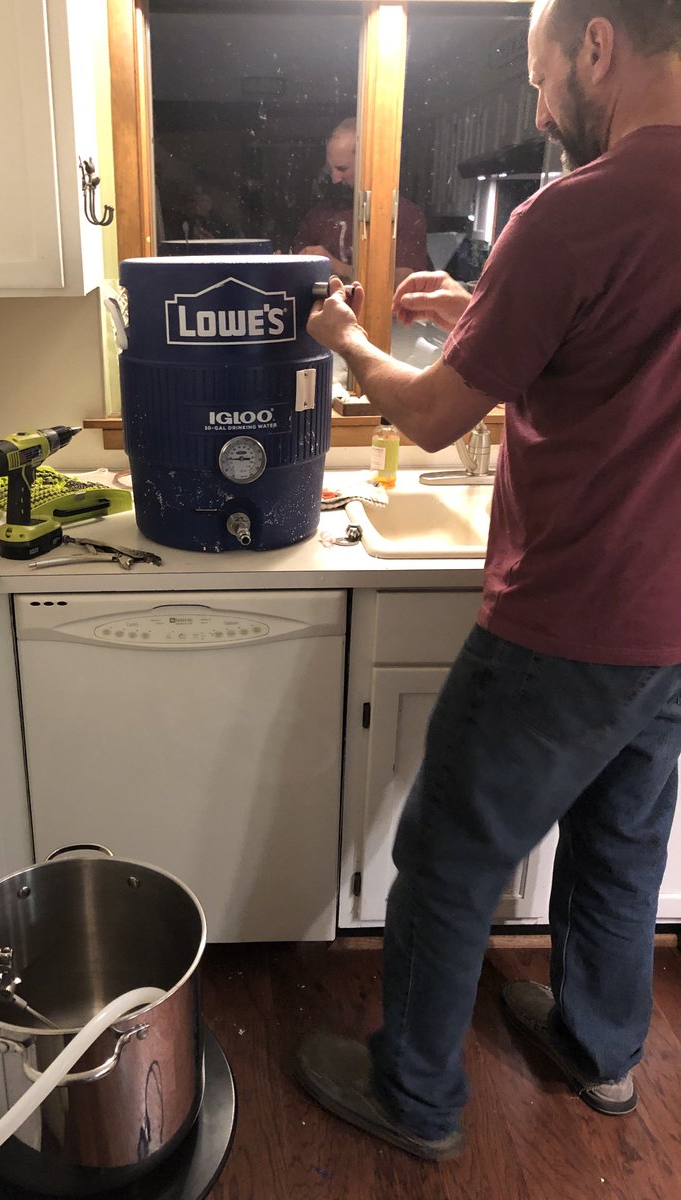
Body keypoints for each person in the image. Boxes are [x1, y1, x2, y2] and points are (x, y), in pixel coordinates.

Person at [294, 0, 681, 1164]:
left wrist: (345, 342)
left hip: (569, 617)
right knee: (620, 846)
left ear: (597, 48)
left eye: (541, 72)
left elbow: (425, 417)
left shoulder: (578, 210)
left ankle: (413, 1095)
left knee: (449, 856)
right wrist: (484, 315)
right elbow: (625, 359)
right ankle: (600, 1055)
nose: (537, 103)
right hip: (671, 628)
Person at [293, 117, 428, 284]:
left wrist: (338, 267)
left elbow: (404, 282)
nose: (334, 178)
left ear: (367, 163)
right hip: (329, 308)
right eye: (331, 168)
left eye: (342, 168)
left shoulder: (404, 214)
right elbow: (297, 272)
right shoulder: (318, 214)